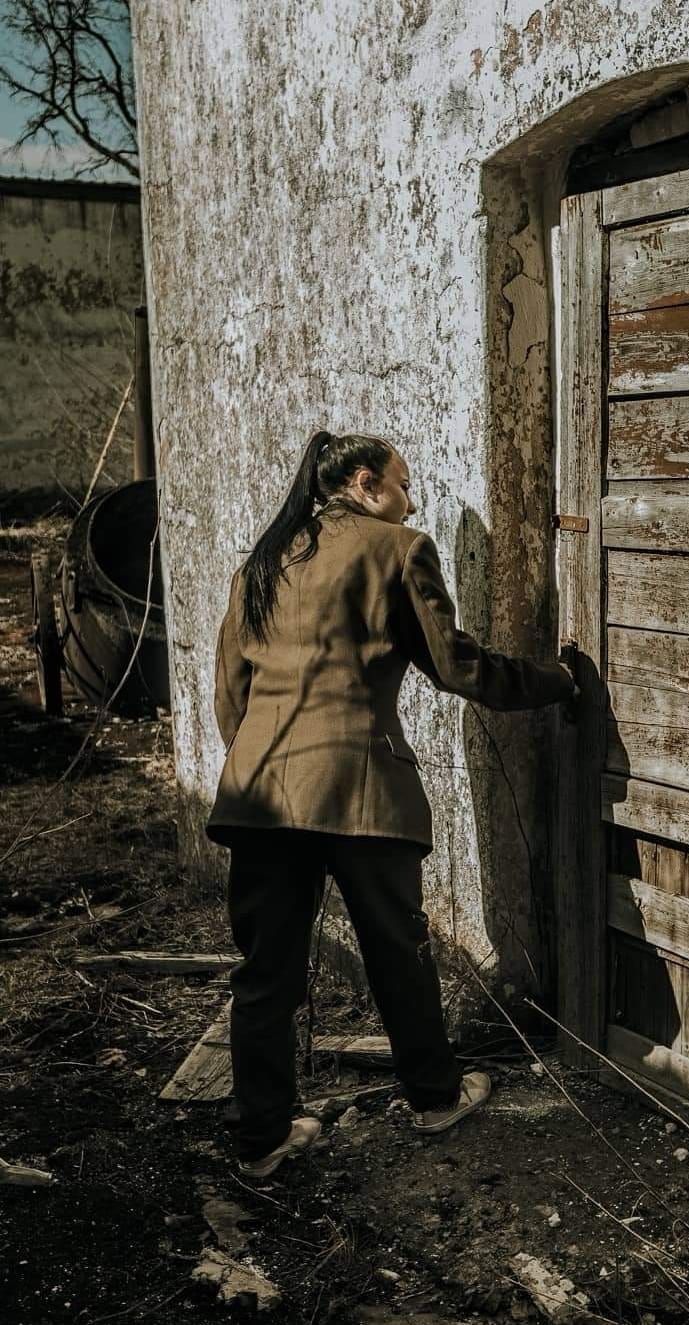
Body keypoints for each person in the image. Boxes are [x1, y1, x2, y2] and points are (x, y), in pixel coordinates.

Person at [206, 429, 576, 1178]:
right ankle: (435, 1098)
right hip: (360, 793)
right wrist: (557, 679)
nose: (415, 498)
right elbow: (457, 664)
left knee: (266, 972)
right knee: (397, 956)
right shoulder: (398, 548)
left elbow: (231, 695)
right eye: (406, 484)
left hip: (260, 796)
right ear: (368, 482)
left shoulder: (262, 562)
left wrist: (257, 762)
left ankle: (262, 1138)